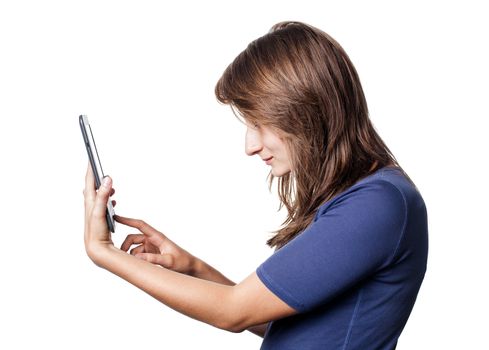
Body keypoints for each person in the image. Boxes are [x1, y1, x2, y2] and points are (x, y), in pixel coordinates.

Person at [83, 21, 428, 349]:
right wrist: (192, 267)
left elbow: (233, 312)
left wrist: (105, 253)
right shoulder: (364, 198)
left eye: (260, 123)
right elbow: (281, 321)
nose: (250, 146)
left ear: (304, 109)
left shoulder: (378, 203)